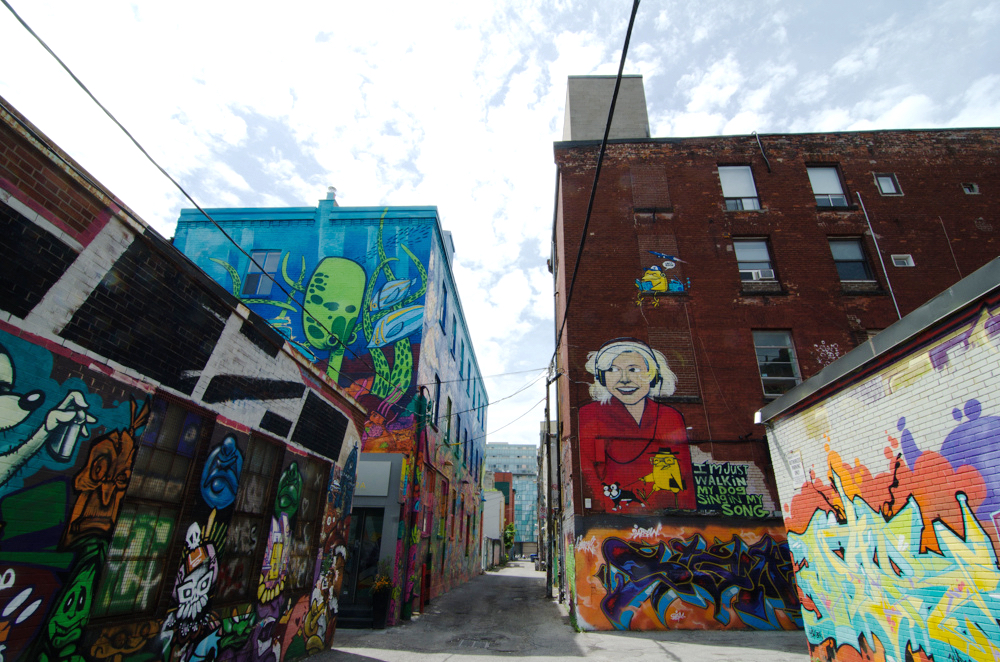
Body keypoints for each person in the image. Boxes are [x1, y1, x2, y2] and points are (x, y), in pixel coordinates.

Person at [578, 338, 693, 511]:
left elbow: (684, 477)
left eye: (634, 369)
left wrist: (687, 516)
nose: (624, 379)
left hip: (669, 519)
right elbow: (588, 475)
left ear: (653, 375)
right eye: (613, 370)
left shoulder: (671, 416)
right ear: (602, 377)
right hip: (611, 516)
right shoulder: (589, 415)